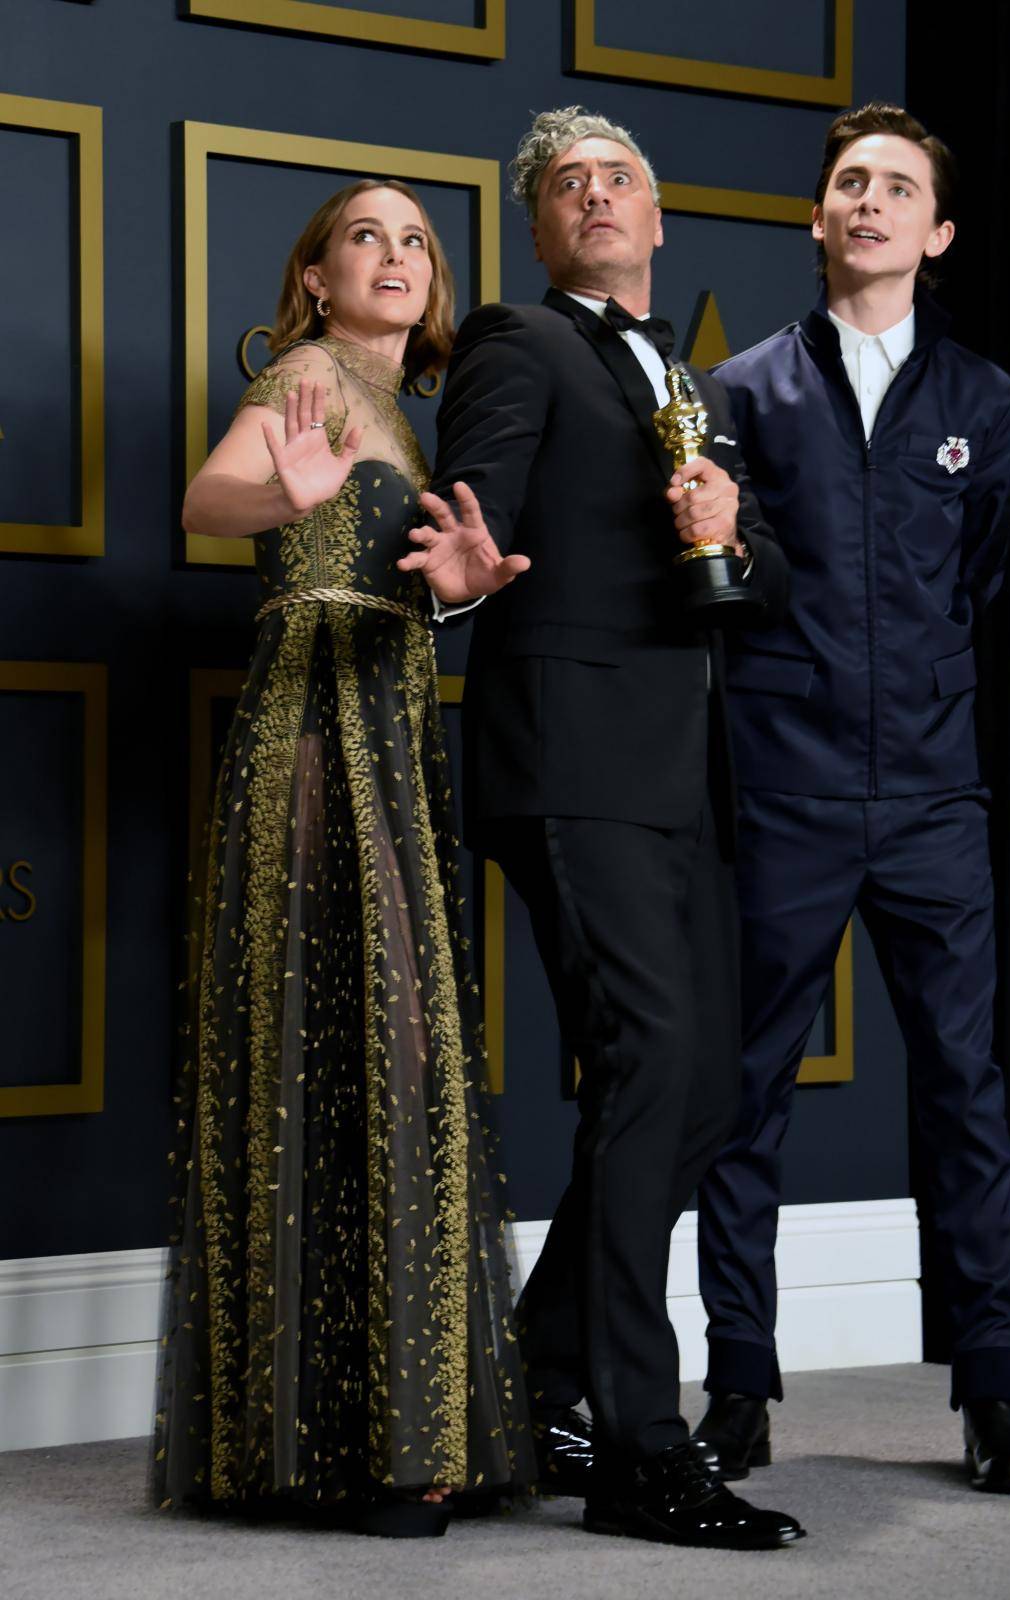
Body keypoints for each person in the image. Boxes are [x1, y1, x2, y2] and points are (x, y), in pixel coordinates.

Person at [398, 106, 804, 1552]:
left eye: (616, 176)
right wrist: (455, 579)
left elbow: (721, 584)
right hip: (572, 764)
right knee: (651, 1065)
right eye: (566, 185)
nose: (595, 196)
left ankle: (539, 1378)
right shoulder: (518, 342)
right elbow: (478, 520)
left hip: (681, 777)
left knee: (700, 1095)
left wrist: (729, 533)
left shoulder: (678, 375)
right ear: (541, 223)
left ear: (653, 208)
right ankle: (641, 1447)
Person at [154, 177, 534, 1536]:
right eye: (364, 234)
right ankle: (366, 1445)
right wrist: (281, 486)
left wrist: (464, 592)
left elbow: (403, 572)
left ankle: (375, 1428)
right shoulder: (309, 379)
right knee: (358, 1052)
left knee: (375, 1054)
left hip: (385, 722)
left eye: (416, 239)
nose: (395, 254)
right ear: (313, 276)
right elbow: (208, 502)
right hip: (318, 727)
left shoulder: (407, 414)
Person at [693, 102, 1010, 1495]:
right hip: (781, 789)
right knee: (745, 1099)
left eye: (896, 188)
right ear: (817, 217)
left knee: (965, 1093)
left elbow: (983, 575)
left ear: (937, 232)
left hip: (930, 798)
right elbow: (727, 578)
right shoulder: (740, 390)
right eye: (848, 183)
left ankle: (996, 1395)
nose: (868, 203)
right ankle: (739, 1390)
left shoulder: (985, 403)